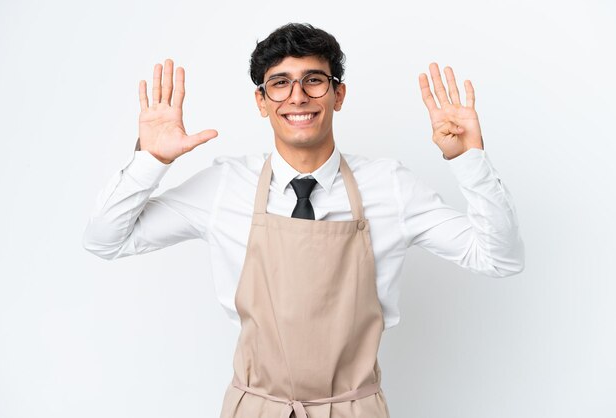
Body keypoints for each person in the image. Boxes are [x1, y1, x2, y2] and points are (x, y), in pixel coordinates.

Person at [83, 22, 524, 418]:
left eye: (314, 81)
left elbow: (499, 259)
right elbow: (105, 240)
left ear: (338, 94)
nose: (297, 96)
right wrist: (150, 160)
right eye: (280, 83)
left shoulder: (390, 186)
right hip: (255, 409)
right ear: (261, 101)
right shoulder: (225, 186)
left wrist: (469, 159)